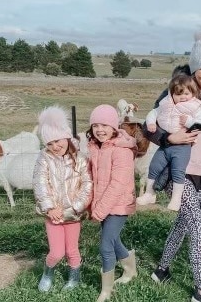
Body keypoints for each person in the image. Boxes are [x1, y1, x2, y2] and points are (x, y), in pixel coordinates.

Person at [145, 32, 201, 302]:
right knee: (198, 228)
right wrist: (169, 138)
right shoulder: (178, 91)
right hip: (179, 172)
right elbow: (148, 126)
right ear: (193, 67)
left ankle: (161, 270)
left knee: (183, 224)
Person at [33, 105, 93, 292]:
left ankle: (74, 278)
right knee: (57, 252)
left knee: (72, 250)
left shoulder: (81, 159)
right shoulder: (44, 158)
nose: (54, 147)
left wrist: (75, 208)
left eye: (57, 141)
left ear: (67, 137)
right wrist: (50, 208)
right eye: (49, 144)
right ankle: (48, 272)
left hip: (73, 213)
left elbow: (87, 185)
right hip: (54, 214)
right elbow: (40, 183)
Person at [86, 104, 138, 302]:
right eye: (95, 125)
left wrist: (99, 210)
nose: (100, 130)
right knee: (114, 240)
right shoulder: (96, 147)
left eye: (105, 125)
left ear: (114, 127)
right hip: (103, 203)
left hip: (118, 204)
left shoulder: (121, 150)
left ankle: (106, 291)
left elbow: (117, 185)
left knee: (105, 246)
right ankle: (130, 270)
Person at [137, 73, 201, 211]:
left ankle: (176, 199)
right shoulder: (165, 104)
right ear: (171, 94)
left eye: (187, 93)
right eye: (179, 94)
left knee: (178, 171)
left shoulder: (194, 107)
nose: (183, 97)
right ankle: (149, 193)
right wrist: (151, 122)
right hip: (165, 145)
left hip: (182, 147)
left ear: (192, 93)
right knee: (154, 167)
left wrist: (188, 121)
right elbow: (153, 113)